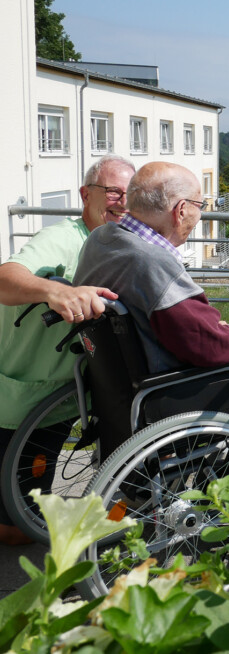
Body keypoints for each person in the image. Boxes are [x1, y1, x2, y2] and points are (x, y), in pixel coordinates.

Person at [74, 162, 229, 441]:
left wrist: (214, 329)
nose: (200, 215)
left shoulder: (100, 239)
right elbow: (206, 346)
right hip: (175, 391)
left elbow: (182, 324)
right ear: (181, 210)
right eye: (200, 206)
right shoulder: (152, 262)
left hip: (118, 391)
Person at [0, 155, 135, 544]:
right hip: (25, 396)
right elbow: (6, 278)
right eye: (113, 192)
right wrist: (54, 290)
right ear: (85, 195)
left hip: (67, 393)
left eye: (131, 194)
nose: (124, 202)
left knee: (27, 501)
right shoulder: (62, 239)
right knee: (16, 528)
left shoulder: (117, 243)